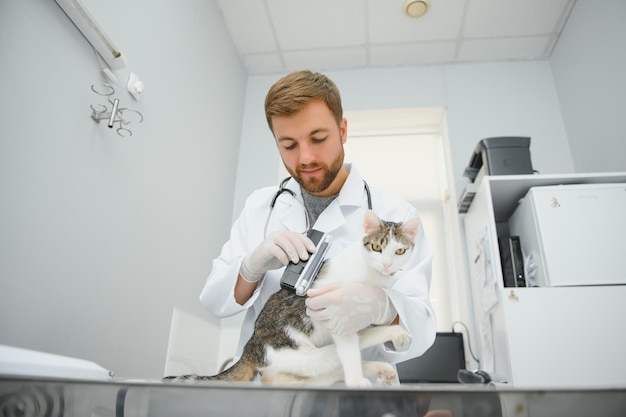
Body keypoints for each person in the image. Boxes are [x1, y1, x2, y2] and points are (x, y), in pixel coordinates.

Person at [200, 70, 435, 373]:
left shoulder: (395, 214)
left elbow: (422, 330)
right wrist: (251, 267)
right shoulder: (262, 206)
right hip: (270, 392)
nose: (306, 157)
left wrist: (383, 306)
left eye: (318, 138)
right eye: (289, 145)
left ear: (343, 130)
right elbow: (214, 301)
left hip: (351, 398)